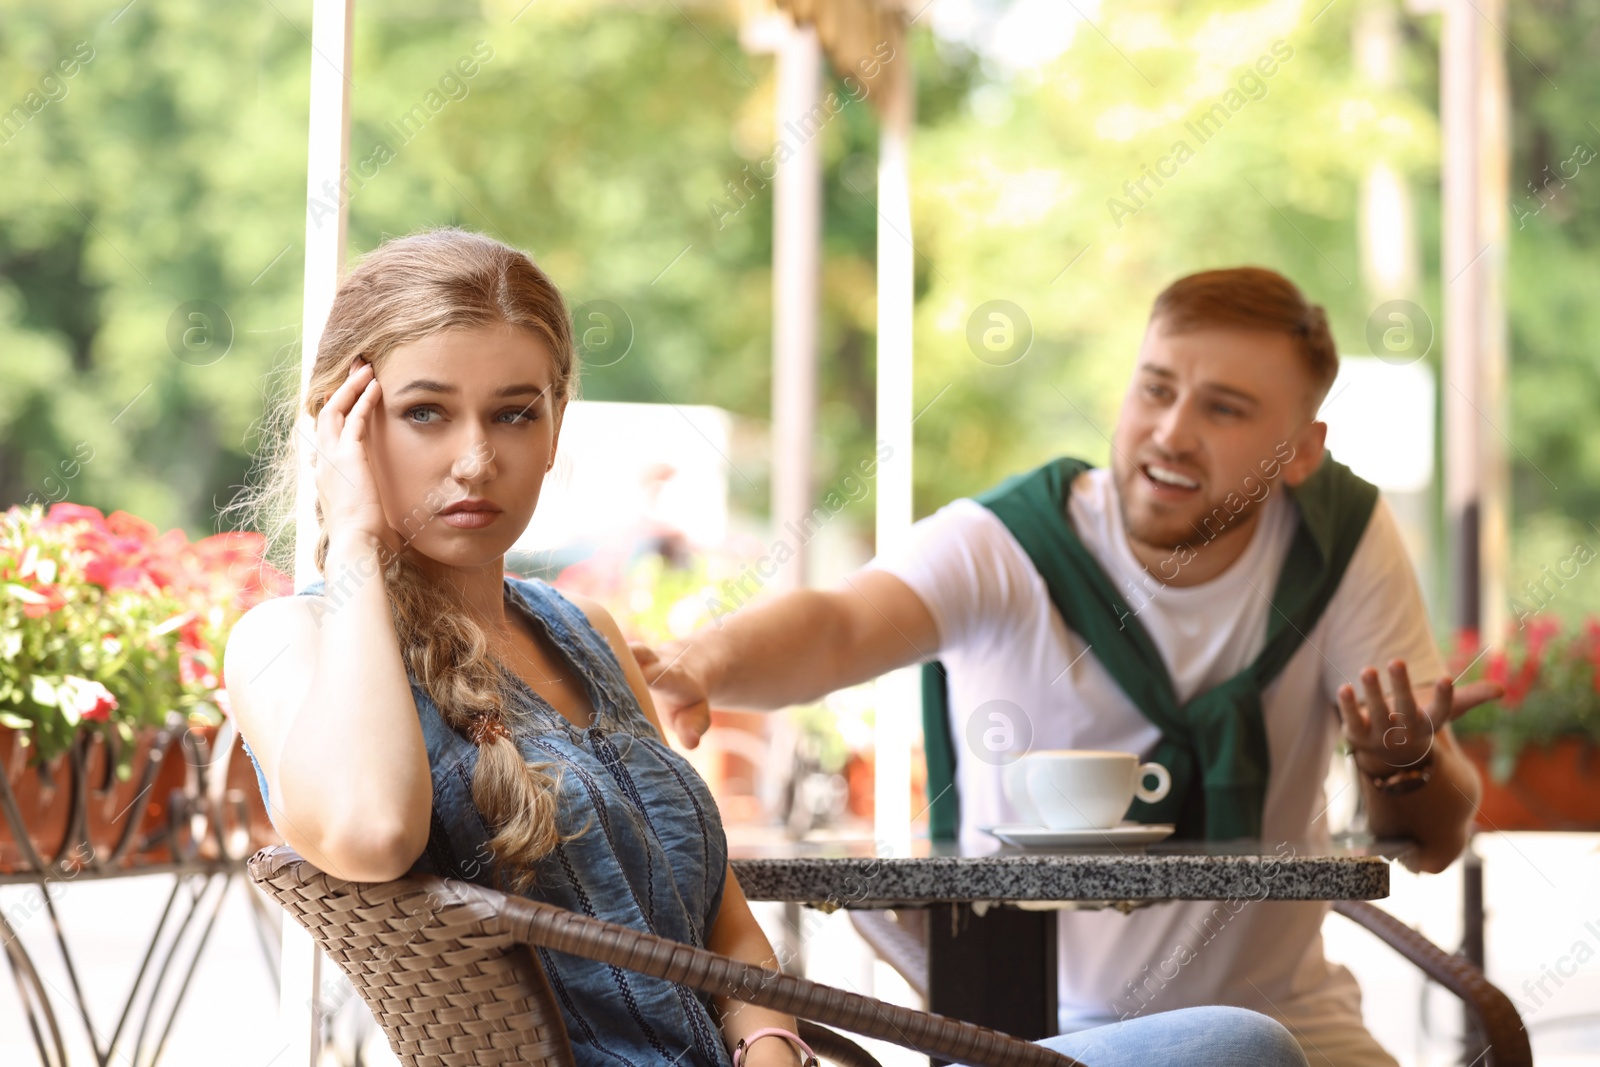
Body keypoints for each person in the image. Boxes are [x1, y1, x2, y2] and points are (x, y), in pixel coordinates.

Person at [222, 229, 1308, 1067]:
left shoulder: (582, 631)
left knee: (1231, 1039)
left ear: (556, 427)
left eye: (513, 413)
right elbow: (367, 829)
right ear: (343, 424)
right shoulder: (287, 640)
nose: (475, 458)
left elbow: (726, 926)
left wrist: (771, 1042)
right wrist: (356, 537)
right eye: (423, 414)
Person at [633, 267, 1502, 1067]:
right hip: (1043, 1037)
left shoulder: (1336, 541)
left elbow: (1437, 833)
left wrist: (1402, 762)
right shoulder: (1014, 541)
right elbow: (836, 625)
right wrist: (697, 662)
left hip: (1299, 1021)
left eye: (1225, 409)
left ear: (1301, 451)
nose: (1172, 431)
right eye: (1156, 388)